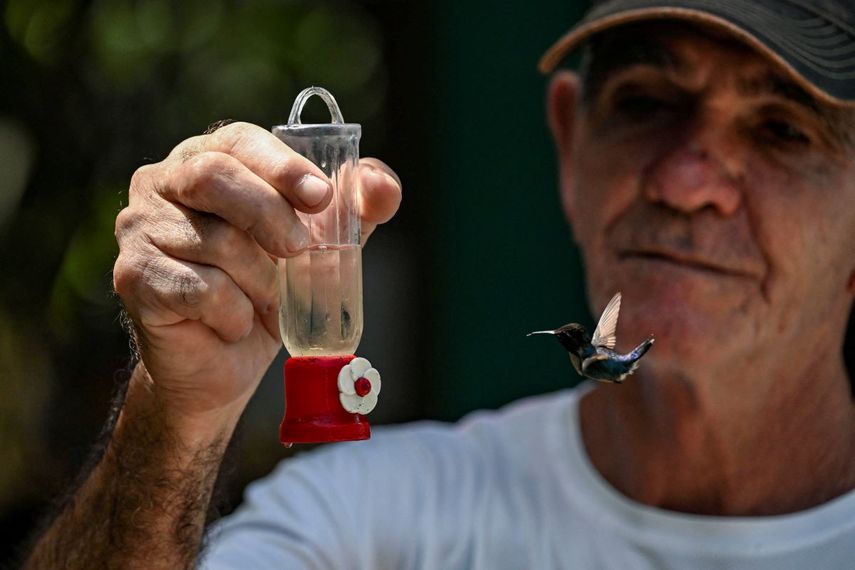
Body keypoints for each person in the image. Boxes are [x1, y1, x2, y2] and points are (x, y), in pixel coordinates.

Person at [24, 0, 855, 568]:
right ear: (568, 147)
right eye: (645, 103)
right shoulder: (372, 519)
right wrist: (176, 418)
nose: (685, 180)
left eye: (781, 129)